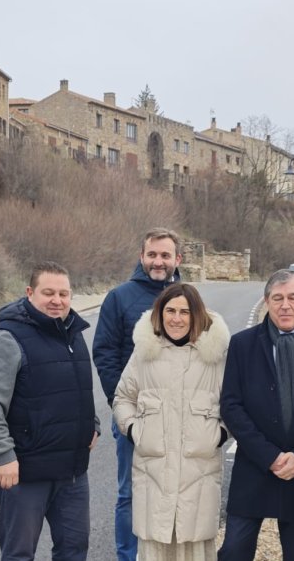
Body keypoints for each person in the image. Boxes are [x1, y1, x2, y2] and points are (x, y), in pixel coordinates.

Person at [0, 262, 101, 561]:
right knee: (19, 553)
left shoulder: (73, 333)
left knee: (74, 550)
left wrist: (91, 424)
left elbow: (77, 389)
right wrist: (2, 455)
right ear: (30, 293)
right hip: (23, 473)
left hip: (71, 471)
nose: (57, 300)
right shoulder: (7, 338)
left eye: (64, 293)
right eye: (49, 293)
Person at [218, 270, 294, 561]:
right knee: (234, 550)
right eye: (277, 298)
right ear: (267, 302)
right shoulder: (242, 344)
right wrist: (269, 456)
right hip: (255, 466)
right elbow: (231, 405)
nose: (285, 305)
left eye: (292, 297)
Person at [113, 284, 231, 561]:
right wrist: (133, 430)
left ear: (196, 315)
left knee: (196, 549)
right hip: (154, 476)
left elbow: (235, 405)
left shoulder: (215, 360)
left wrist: (220, 435)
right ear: (160, 314)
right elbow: (123, 398)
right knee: (155, 547)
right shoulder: (144, 354)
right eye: (170, 311)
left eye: (184, 312)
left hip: (198, 477)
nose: (176, 318)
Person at [93, 227, 183, 561]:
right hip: (134, 419)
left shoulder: (187, 297)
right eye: (152, 254)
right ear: (141, 256)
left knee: (174, 494)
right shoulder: (120, 297)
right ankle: (129, 557)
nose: (158, 261)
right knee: (130, 495)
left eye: (165, 255)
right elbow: (104, 353)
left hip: (179, 421)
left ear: (177, 259)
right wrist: (123, 408)